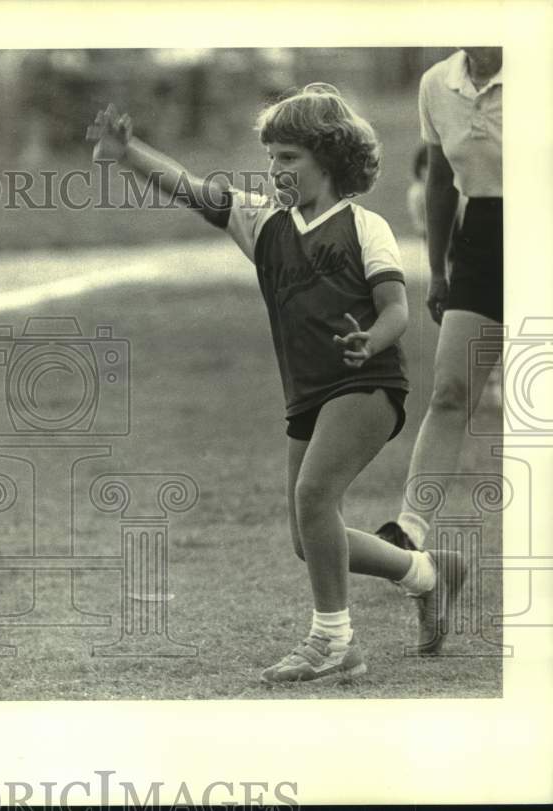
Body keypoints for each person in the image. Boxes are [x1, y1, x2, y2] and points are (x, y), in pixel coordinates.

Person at [86, 84, 465, 684]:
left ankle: (334, 643)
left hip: (367, 383)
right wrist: (130, 153)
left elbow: (397, 309)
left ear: (330, 158)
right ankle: (427, 574)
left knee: (315, 501)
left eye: (289, 157)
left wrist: (371, 338)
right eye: (270, 157)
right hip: (308, 393)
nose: (275, 168)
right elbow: (187, 186)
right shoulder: (262, 221)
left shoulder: (366, 227)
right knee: (305, 534)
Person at [377, 48, 503, 555]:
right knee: (450, 389)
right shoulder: (436, 83)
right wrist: (435, 268)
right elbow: (439, 180)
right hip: (481, 240)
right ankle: (411, 529)